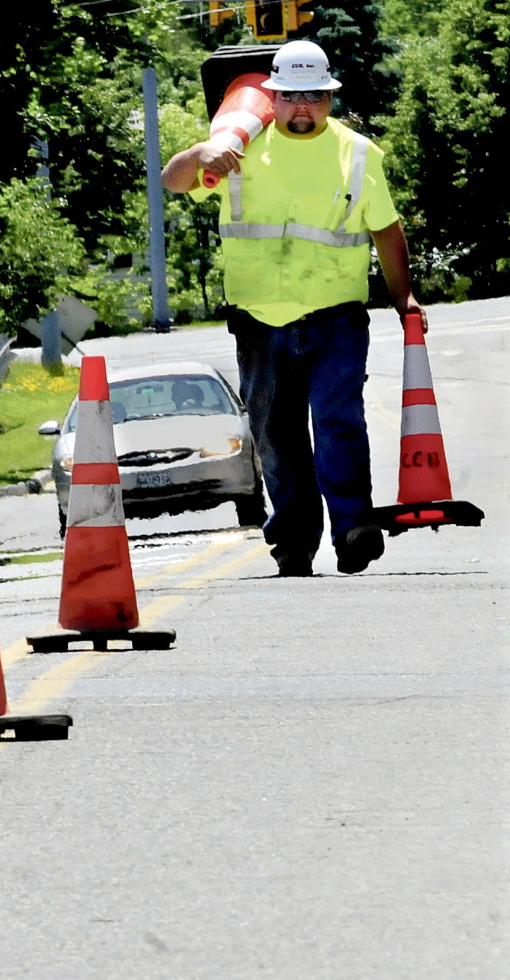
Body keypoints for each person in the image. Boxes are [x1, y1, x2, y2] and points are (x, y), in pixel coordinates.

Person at [161, 40, 426, 578]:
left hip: (337, 317)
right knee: (276, 436)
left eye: (315, 95)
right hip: (259, 322)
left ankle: (353, 528)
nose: (303, 106)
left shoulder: (357, 153)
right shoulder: (236, 146)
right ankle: (294, 543)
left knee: (339, 423)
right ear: (272, 98)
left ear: (329, 99)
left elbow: (386, 228)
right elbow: (172, 180)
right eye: (292, 96)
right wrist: (196, 155)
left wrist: (405, 297)